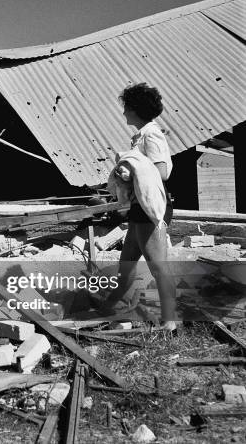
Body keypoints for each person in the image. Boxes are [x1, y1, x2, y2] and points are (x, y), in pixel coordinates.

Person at [101, 83, 178, 331]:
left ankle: (170, 321)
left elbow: (162, 172)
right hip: (140, 205)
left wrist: (130, 172)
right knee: (127, 263)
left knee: (157, 265)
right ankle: (114, 308)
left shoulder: (151, 134)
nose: (123, 113)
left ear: (134, 109)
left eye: (125, 108)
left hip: (151, 206)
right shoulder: (141, 134)